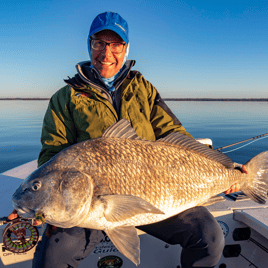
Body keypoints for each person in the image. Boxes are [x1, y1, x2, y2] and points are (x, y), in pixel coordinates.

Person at [9, 11, 242, 268]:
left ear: (126, 48)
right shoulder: (65, 98)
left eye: (115, 45)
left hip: (159, 195)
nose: (106, 53)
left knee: (210, 237)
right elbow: (52, 156)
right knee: (50, 259)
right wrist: (40, 203)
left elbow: (173, 135)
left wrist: (227, 171)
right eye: (99, 43)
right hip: (88, 205)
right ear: (90, 45)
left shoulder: (144, 89)